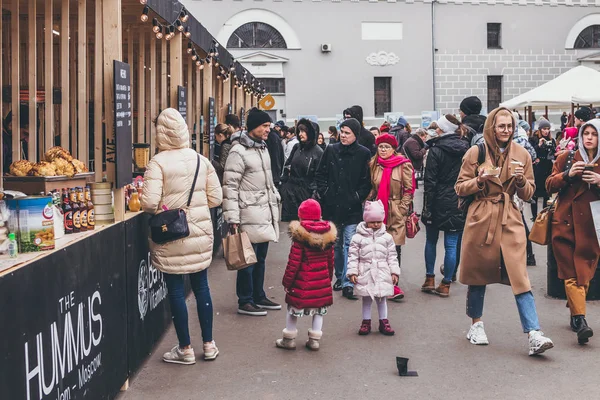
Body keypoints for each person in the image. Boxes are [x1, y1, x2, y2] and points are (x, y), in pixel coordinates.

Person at [455, 107, 554, 356]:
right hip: (481, 217)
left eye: (509, 126)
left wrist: (521, 181)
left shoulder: (522, 153)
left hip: (509, 217)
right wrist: (479, 180)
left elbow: (530, 193)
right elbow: (459, 187)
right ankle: (476, 324)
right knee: (478, 274)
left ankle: (534, 333)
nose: (506, 131)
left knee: (520, 276)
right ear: (492, 127)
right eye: (501, 126)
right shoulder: (476, 152)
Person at [141, 108, 222, 365]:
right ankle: (208, 345)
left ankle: (185, 348)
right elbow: (216, 198)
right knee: (201, 287)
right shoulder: (201, 160)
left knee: (176, 291)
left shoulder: (157, 163)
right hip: (199, 233)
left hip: (171, 236)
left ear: (160, 133)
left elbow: (149, 204)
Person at [223, 107, 282, 316]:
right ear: (254, 127)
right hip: (247, 212)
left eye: (269, 126)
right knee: (246, 259)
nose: (269, 129)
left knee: (261, 258)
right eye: (265, 126)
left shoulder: (262, 147)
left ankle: (258, 295)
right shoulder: (238, 151)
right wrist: (232, 218)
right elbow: (230, 186)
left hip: (263, 211)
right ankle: (245, 300)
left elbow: (267, 181)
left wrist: (274, 198)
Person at [547, 119, 600, 345]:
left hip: (592, 226)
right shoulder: (566, 157)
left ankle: (574, 310)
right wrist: (567, 175)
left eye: (593, 134)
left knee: (584, 273)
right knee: (572, 274)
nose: (588, 137)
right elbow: (548, 184)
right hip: (564, 223)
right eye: (585, 133)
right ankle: (580, 321)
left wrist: (599, 180)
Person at [315, 117, 372, 300]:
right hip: (332, 206)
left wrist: (357, 197)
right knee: (337, 245)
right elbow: (321, 173)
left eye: (348, 133)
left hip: (352, 207)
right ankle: (339, 277)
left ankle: (348, 282)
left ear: (356, 135)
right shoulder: (331, 149)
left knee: (350, 243)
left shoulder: (363, 153)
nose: (344, 136)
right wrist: (325, 192)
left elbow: (366, 181)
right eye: (342, 132)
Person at [276, 199, 336, 351]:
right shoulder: (328, 236)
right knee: (319, 311)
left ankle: (289, 339)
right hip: (321, 282)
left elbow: (293, 263)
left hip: (301, 282)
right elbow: (330, 262)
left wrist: (287, 283)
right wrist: (328, 279)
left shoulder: (300, 237)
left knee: (293, 309)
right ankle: (314, 340)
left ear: (300, 216)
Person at [421, 115, 469, 296]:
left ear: (442, 130)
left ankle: (429, 278)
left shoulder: (436, 150)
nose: (436, 130)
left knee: (431, 241)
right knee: (451, 244)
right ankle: (446, 283)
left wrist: (427, 207)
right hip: (458, 199)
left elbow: (430, 182)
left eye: (438, 128)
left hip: (437, 201)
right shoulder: (466, 148)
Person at [368, 133, 414, 301]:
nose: (383, 150)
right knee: (378, 248)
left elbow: (409, 189)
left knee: (394, 249)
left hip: (395, 209)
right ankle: (379, 280)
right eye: (381, 147)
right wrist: (367, 202)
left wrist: (401, 209)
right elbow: (373, 187)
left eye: (387, 147)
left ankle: (393, 284)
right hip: (378, 211)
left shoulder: (403, 165)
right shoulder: (374, 164)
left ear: (394, 149)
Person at [347, 200, 400, 336]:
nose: (376, 224)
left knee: (382, 298)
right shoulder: (357, 238)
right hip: (365, 271)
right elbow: (353, 256)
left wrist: (394, 271)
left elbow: (392, 256)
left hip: (382, 271)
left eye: (378, 221)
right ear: (366, 220)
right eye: (373, 221)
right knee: (366, 298)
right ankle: (366, 321)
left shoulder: (387, 237)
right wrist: (353, 271)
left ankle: (384, 321)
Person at [280, 119, 324, 222]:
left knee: (307, 226)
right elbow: (287, 165)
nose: (300, 134)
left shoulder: (318, 152)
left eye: (303, 131)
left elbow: (320, 176)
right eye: (299, 131)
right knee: (292, 228)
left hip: (306, 195)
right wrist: (284, 186)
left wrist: (314, 194)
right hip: (290, 193)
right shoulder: (297, 147)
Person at [529, 119, 556, 221]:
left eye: (548, 129)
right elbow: (530, 153)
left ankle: (545, 215)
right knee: (535, 194)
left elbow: (553, 154)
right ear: (540, 129)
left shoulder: (551, 140)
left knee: (546, 194)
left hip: (547, 168)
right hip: (537, 169)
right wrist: (539, 145)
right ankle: (535, 217)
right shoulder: (533, 139)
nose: (546, 131)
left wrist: (554, 148)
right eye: (544, 129)